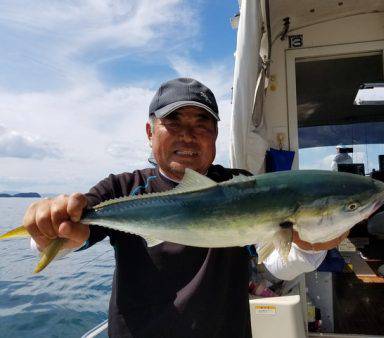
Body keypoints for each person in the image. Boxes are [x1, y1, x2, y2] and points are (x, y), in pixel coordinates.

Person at [24, 78, 347, 338]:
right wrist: (48, 229)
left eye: (201, 125)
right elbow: (74, 235)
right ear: (151, 132)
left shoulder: (241, 186)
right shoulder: (122, 189)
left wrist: (311, 246)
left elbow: (276, 266)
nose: (188, 136)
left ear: (215, 135)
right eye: (173, 123)